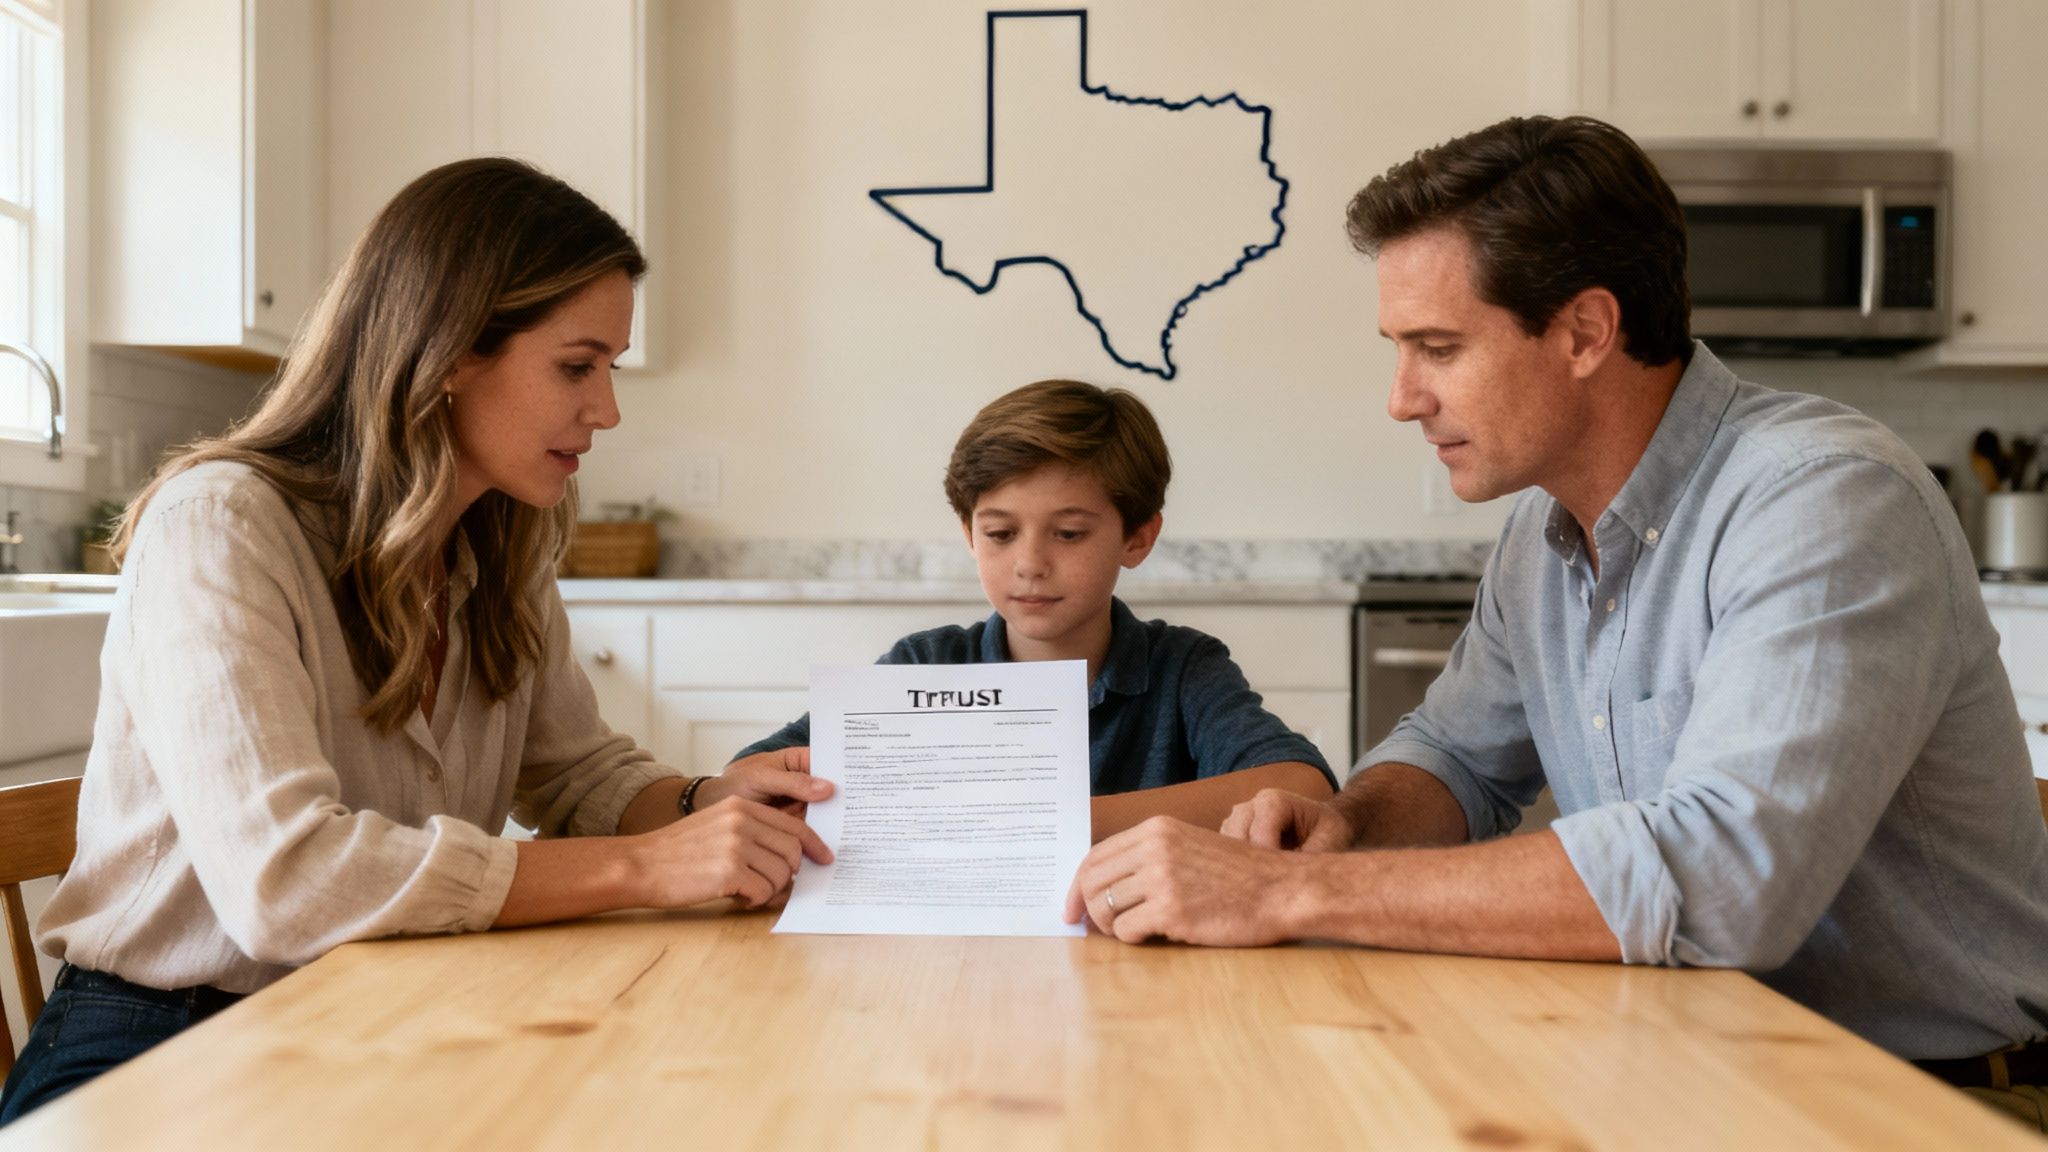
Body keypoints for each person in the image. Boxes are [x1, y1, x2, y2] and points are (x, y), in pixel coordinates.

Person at [1063, 115, 2048, 1128]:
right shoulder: (1541, 530)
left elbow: (1724, 881)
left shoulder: (1822, 499)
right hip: (1685, 1071)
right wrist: (1340, 830)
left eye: (1437, 348)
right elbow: (1452, 755)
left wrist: (1284, 898)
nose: (1401, 399)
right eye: (1397, 350)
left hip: (1920, 1101)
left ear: (1583, 331)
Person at [0, 158, 832, 1124]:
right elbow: (290, 883)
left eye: (610, 368)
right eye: (578, 364)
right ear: (447, 353)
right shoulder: (220, 527)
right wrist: (655, 865)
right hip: (164, 1043)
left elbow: (578, 774)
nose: (605, 410)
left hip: (383, 1007)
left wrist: (705, 802)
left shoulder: (501, 540)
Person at [733, 379, 1336, 840]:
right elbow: (750, 779)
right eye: (1000, 534)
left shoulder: (1184, 670)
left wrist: (1037, 825)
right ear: (969, 533)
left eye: (1068, 534)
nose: (1029, 563)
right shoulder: (924, 665)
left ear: (1137, 538)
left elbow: (1302, 785)